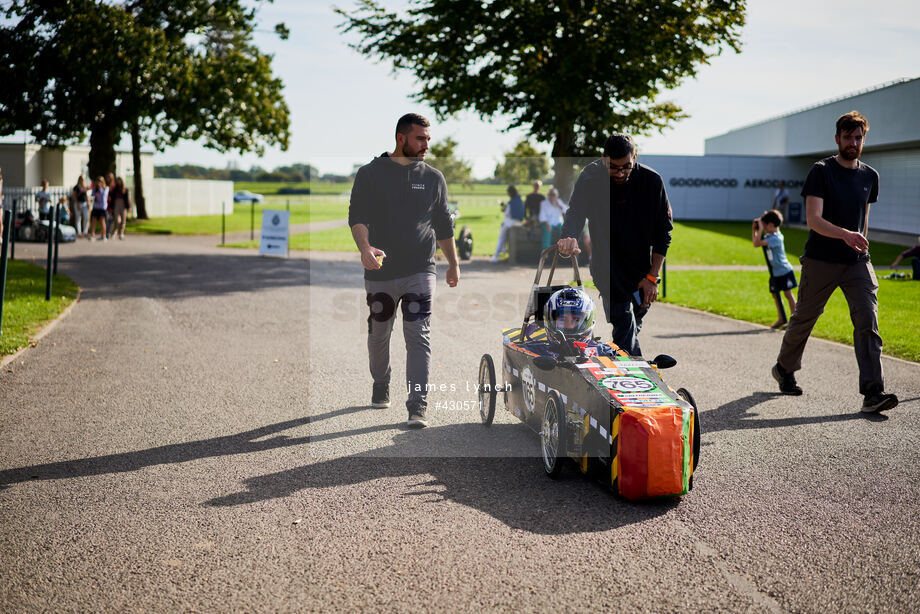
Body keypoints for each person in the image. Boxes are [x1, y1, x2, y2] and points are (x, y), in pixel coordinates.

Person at [772, 111, 898, 414]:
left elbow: (863, 219)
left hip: (856, 261)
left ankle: (873, 392)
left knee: (868, 318)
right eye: (848, 137)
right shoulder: (821, 171)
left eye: (859, 138)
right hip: (821, 260)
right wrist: (846, 235)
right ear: (837, 138)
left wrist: (859, 244)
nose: (853, 143)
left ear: (863, 139)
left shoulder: (870, 176)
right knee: (804, 317)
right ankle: (784, 368)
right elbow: (814, 220)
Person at [348, 112, 459, 428]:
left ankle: (417, 405)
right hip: (381, 272)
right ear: (401, 139)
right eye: (420, 138)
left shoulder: (434, 178)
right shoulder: (370, 174)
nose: (425, 145)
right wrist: (365, 248)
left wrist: (453, 263)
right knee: (378, 334)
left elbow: (443, 224)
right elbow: (357, 216)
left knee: (418, 334)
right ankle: (381, 381)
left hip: (420, 270)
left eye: (427, 139)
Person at [557, 133, 673, 356]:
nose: (620, 173)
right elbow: (575, 213)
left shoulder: (651, 181)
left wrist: (652, 277)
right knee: (623, 321)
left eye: (626, 167)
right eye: (613, 167)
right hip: (607, 268)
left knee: (631, 325)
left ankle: (612, 361)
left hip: (643, 270)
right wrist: (568, 236)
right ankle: (638, 385)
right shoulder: (590, 178)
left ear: (635, 157)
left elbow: (663, 233)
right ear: (603, 159)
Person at [752, 209, 797, 328]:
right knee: (775, 294)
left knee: (788, 294)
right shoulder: (769, 235)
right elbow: (755, 243)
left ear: (771, 225)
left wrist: (759, 229)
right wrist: (755, 230)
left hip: (784, 271)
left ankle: (794, 320)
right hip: (775, 272)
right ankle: (782, 317)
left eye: (765, 225)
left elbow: (757, 243)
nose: (764, 228)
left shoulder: (776, 238)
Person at [489, 185, 525, 262]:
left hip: (511, 222)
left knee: (501, 237)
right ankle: (503, 248)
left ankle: (496, 255)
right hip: (519, 222)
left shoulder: (511, 202)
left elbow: (507, 213)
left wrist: (503, 209)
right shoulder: (520, 200)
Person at [89, 176, 109, 240]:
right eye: (97, 181)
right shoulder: (94, 189)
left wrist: (100, 189)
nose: (98, 183)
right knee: (93, 221)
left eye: (100, 181)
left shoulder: (106, 188)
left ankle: (103, 235)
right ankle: (92, 234)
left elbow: (104, 197)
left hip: (102, 208)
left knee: (102, 221)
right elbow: (92, 197)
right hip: (95, 207)